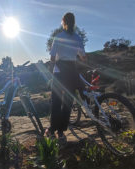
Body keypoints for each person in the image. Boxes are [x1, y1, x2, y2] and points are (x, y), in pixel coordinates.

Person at [46, 12, 86, 142]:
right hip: (72, 72)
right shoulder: (77, 38)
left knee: (56, 101)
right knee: (68, 103)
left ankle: (52, 131)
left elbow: (52, 57)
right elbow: (83, 57)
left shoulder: (58, 37)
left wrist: (53, 65)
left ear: (63, 21)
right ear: (74, 22)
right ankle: (61, 132)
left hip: (59, 71)